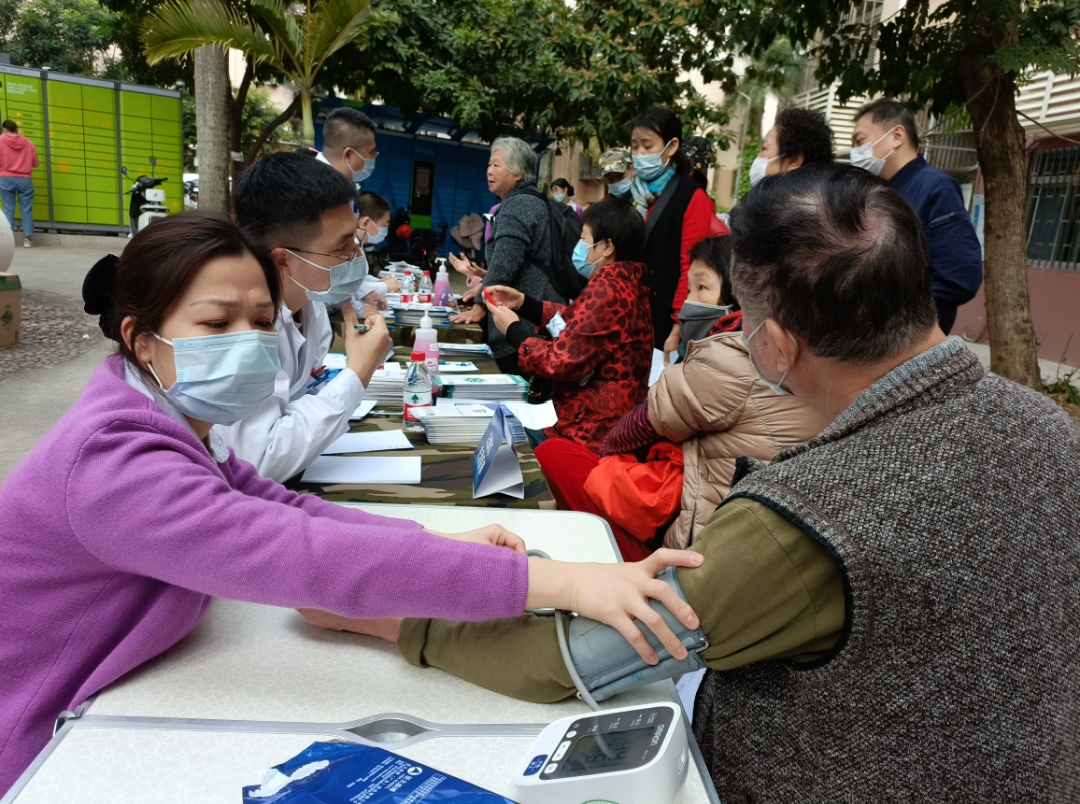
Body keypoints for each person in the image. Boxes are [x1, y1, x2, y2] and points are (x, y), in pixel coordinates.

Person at [301, 162, 1080, 800]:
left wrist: (391, 615)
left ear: (774, 346)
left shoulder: (811, 516)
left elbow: (578, 658)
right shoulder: (1051, 429)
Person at [0, 212, 708, 796]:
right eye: (215, 325)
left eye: (259, 321)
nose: (247, 342)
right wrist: (562, 583)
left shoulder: (164, 422)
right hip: (44, 749)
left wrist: (435, 544)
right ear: (140, 339)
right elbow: (305, 555)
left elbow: (288, 509)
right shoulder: (114, 463)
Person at [534, 235, 826, 560]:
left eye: (702, 288)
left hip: (684, 547)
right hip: (724, 533)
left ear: (740, 295)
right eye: (688, 289)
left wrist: (608, 456)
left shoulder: (727, 355)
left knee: (553, 453)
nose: (689, 302)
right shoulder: (807, 357)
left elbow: (640, 421)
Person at [216, 152, 389, 483]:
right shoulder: (239, 332)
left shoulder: (311, 307)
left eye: (355, 240)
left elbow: (299, 400)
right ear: (283, 258)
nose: (356, 256)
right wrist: (358, 372)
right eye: (341, 248)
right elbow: (261, 459)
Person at [486, 198, 652, 452]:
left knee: (496, 434)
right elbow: (577, 322)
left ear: (607, 246)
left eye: (584, 239)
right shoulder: (625, 284)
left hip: (588, 434)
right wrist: (523, 303)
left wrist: (514, 331)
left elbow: (559, 361)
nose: (579, 247)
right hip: (595, 424)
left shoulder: (609, 291)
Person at [851, 98, 982, 333]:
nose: (855, 152)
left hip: (908, 338)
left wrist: (891, 312)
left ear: (897, 136)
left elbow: (958, 278)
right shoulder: (879, 193)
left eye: (860, 141)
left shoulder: (936, 188)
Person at [449, 137, 565, 373]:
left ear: (518, 173)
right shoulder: (529, 201)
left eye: (496, 165)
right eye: (489, 164)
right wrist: (481, 288)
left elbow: (505, 265)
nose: (489, 171)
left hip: (526, 325)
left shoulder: (519, 205)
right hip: (535, 316)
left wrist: (480, 306)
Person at [629, 107, 728, 359]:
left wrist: (677, 327)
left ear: (671, 146)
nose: (639, 154)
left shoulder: (692, 197)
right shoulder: (630, 195)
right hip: (626, 312)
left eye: (647, 146)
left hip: (661, 320)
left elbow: (689, 267)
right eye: (634, 146)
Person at [315, 108, 400, 301]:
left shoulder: (341, 188)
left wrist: (365, 293)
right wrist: (365, 297)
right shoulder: (318, 190)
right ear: (348, 154)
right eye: (370, 153)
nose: (372, 160)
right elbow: (328, 261)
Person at [749, 107, 834, 186]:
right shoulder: (820, 194)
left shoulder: (776, 197)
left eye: (764, 148)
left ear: (794, 161)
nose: (758, 157)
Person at [0, 120, 38, 249]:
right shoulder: (29, 143)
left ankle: (9, 240)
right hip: (25, 179)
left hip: (6, 178)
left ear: (4, 129)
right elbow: (35, 163)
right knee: (26, 208)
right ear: (16, 129)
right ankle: (28, 239)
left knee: (8, 208)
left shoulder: (0, 141)